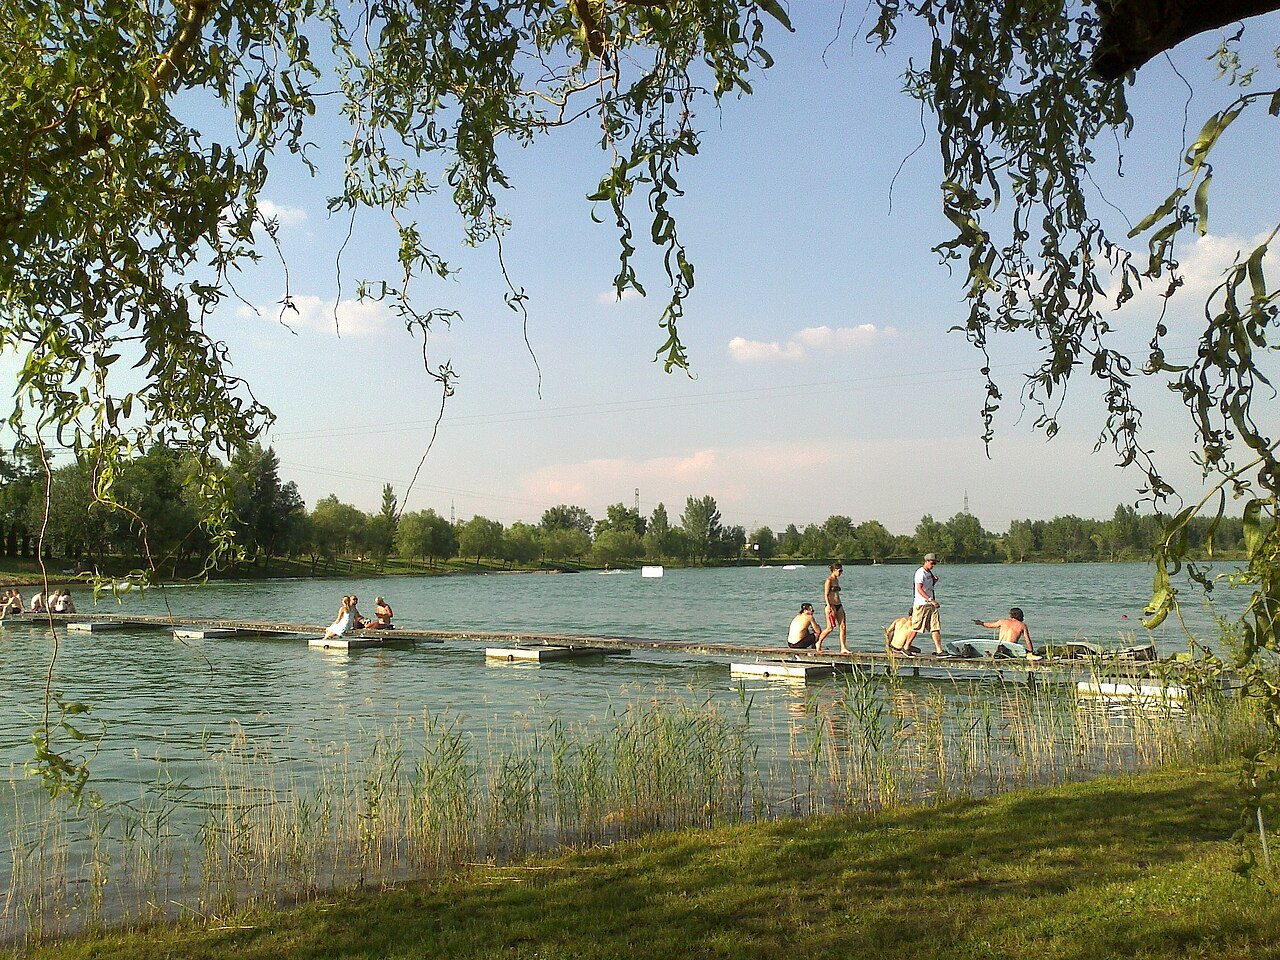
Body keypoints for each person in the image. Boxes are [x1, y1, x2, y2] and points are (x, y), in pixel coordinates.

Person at [901, 553, 948, 656]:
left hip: (931, 605)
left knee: (935, 627)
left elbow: (929, 587)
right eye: (932, 563)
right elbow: (919, 589)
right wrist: (931, 600)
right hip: (921, 604)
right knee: (916, 627)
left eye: (935, 563)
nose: (933, 565)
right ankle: (906, 647)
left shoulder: (929, 573)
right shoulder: (920, 573)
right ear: (926, 561)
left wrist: (934, 581)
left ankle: (939, 650)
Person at [973, 607, 1043, 661]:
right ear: (1020, 616)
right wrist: (1031, 652)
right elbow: (1028, 640)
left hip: (1000, 648)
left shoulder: (1002, 621)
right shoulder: (1022, 625)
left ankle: (1000, 676)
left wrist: (980, 623)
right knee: (1031, 653)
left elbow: (989, 625)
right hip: (1011, 649)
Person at [820, 562, 849, 654]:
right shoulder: (829, 580)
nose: (840, 573)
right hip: (831, 605)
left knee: (843, 626)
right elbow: (826, 594)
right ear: (834, 570)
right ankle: (818, 642)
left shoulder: (837, 580)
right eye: (839, 571)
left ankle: (843, 647)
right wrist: (828, 606)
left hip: (839, 605)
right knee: (830, 628)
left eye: (842, 571)